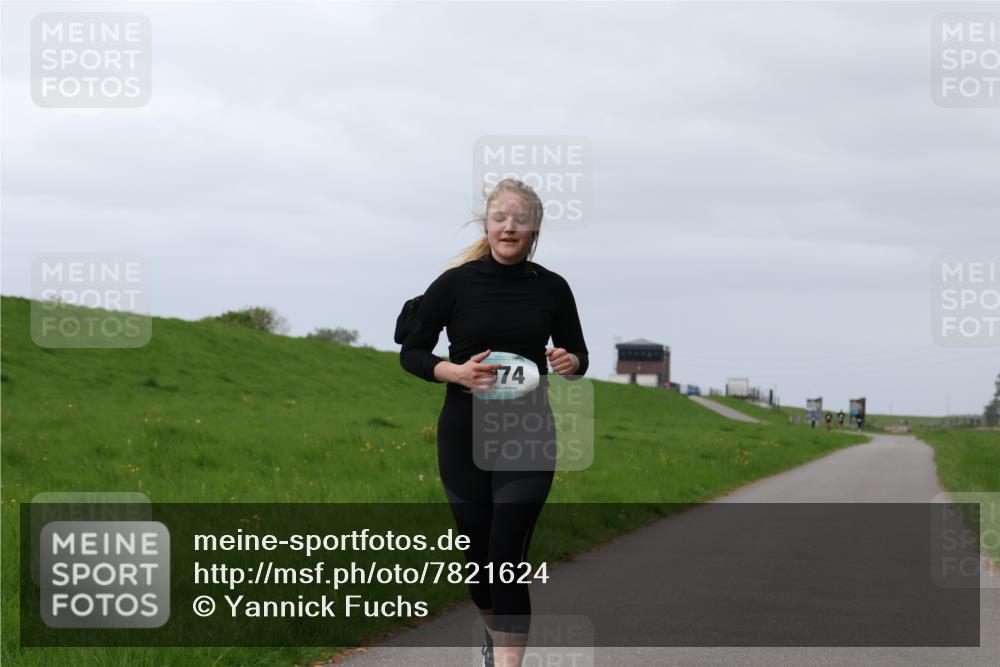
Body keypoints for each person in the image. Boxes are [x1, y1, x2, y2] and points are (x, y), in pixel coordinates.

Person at [399, 178, 589, 667]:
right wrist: (454, 371)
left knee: (507, 561)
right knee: (480, 569)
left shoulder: (552, 287)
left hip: (528, 433)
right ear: (487, 224)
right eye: (500, 217)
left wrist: (569, 362)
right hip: (464, 432)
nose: (509, 227)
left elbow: (578, 353)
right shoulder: (455, 284)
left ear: (534, 230)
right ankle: (493, 636)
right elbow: (412, 353)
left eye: (520, 219)